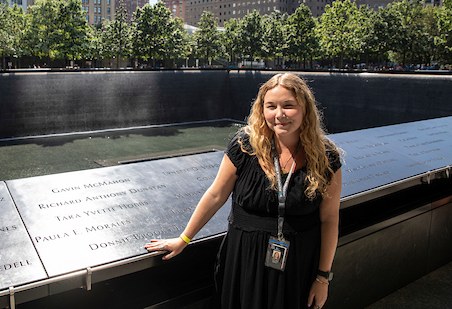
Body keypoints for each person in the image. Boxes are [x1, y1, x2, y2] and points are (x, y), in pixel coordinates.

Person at [145, 73, 342, 309]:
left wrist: (322, 278)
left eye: (288, 105)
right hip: (244, 258)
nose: (279, 114)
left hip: (298, 262)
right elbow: (216, 194)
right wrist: (184, 239)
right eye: (271, 106)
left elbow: (329, 219)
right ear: (262, 109)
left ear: (305, 109)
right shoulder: (245, 146)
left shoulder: (326, 156)